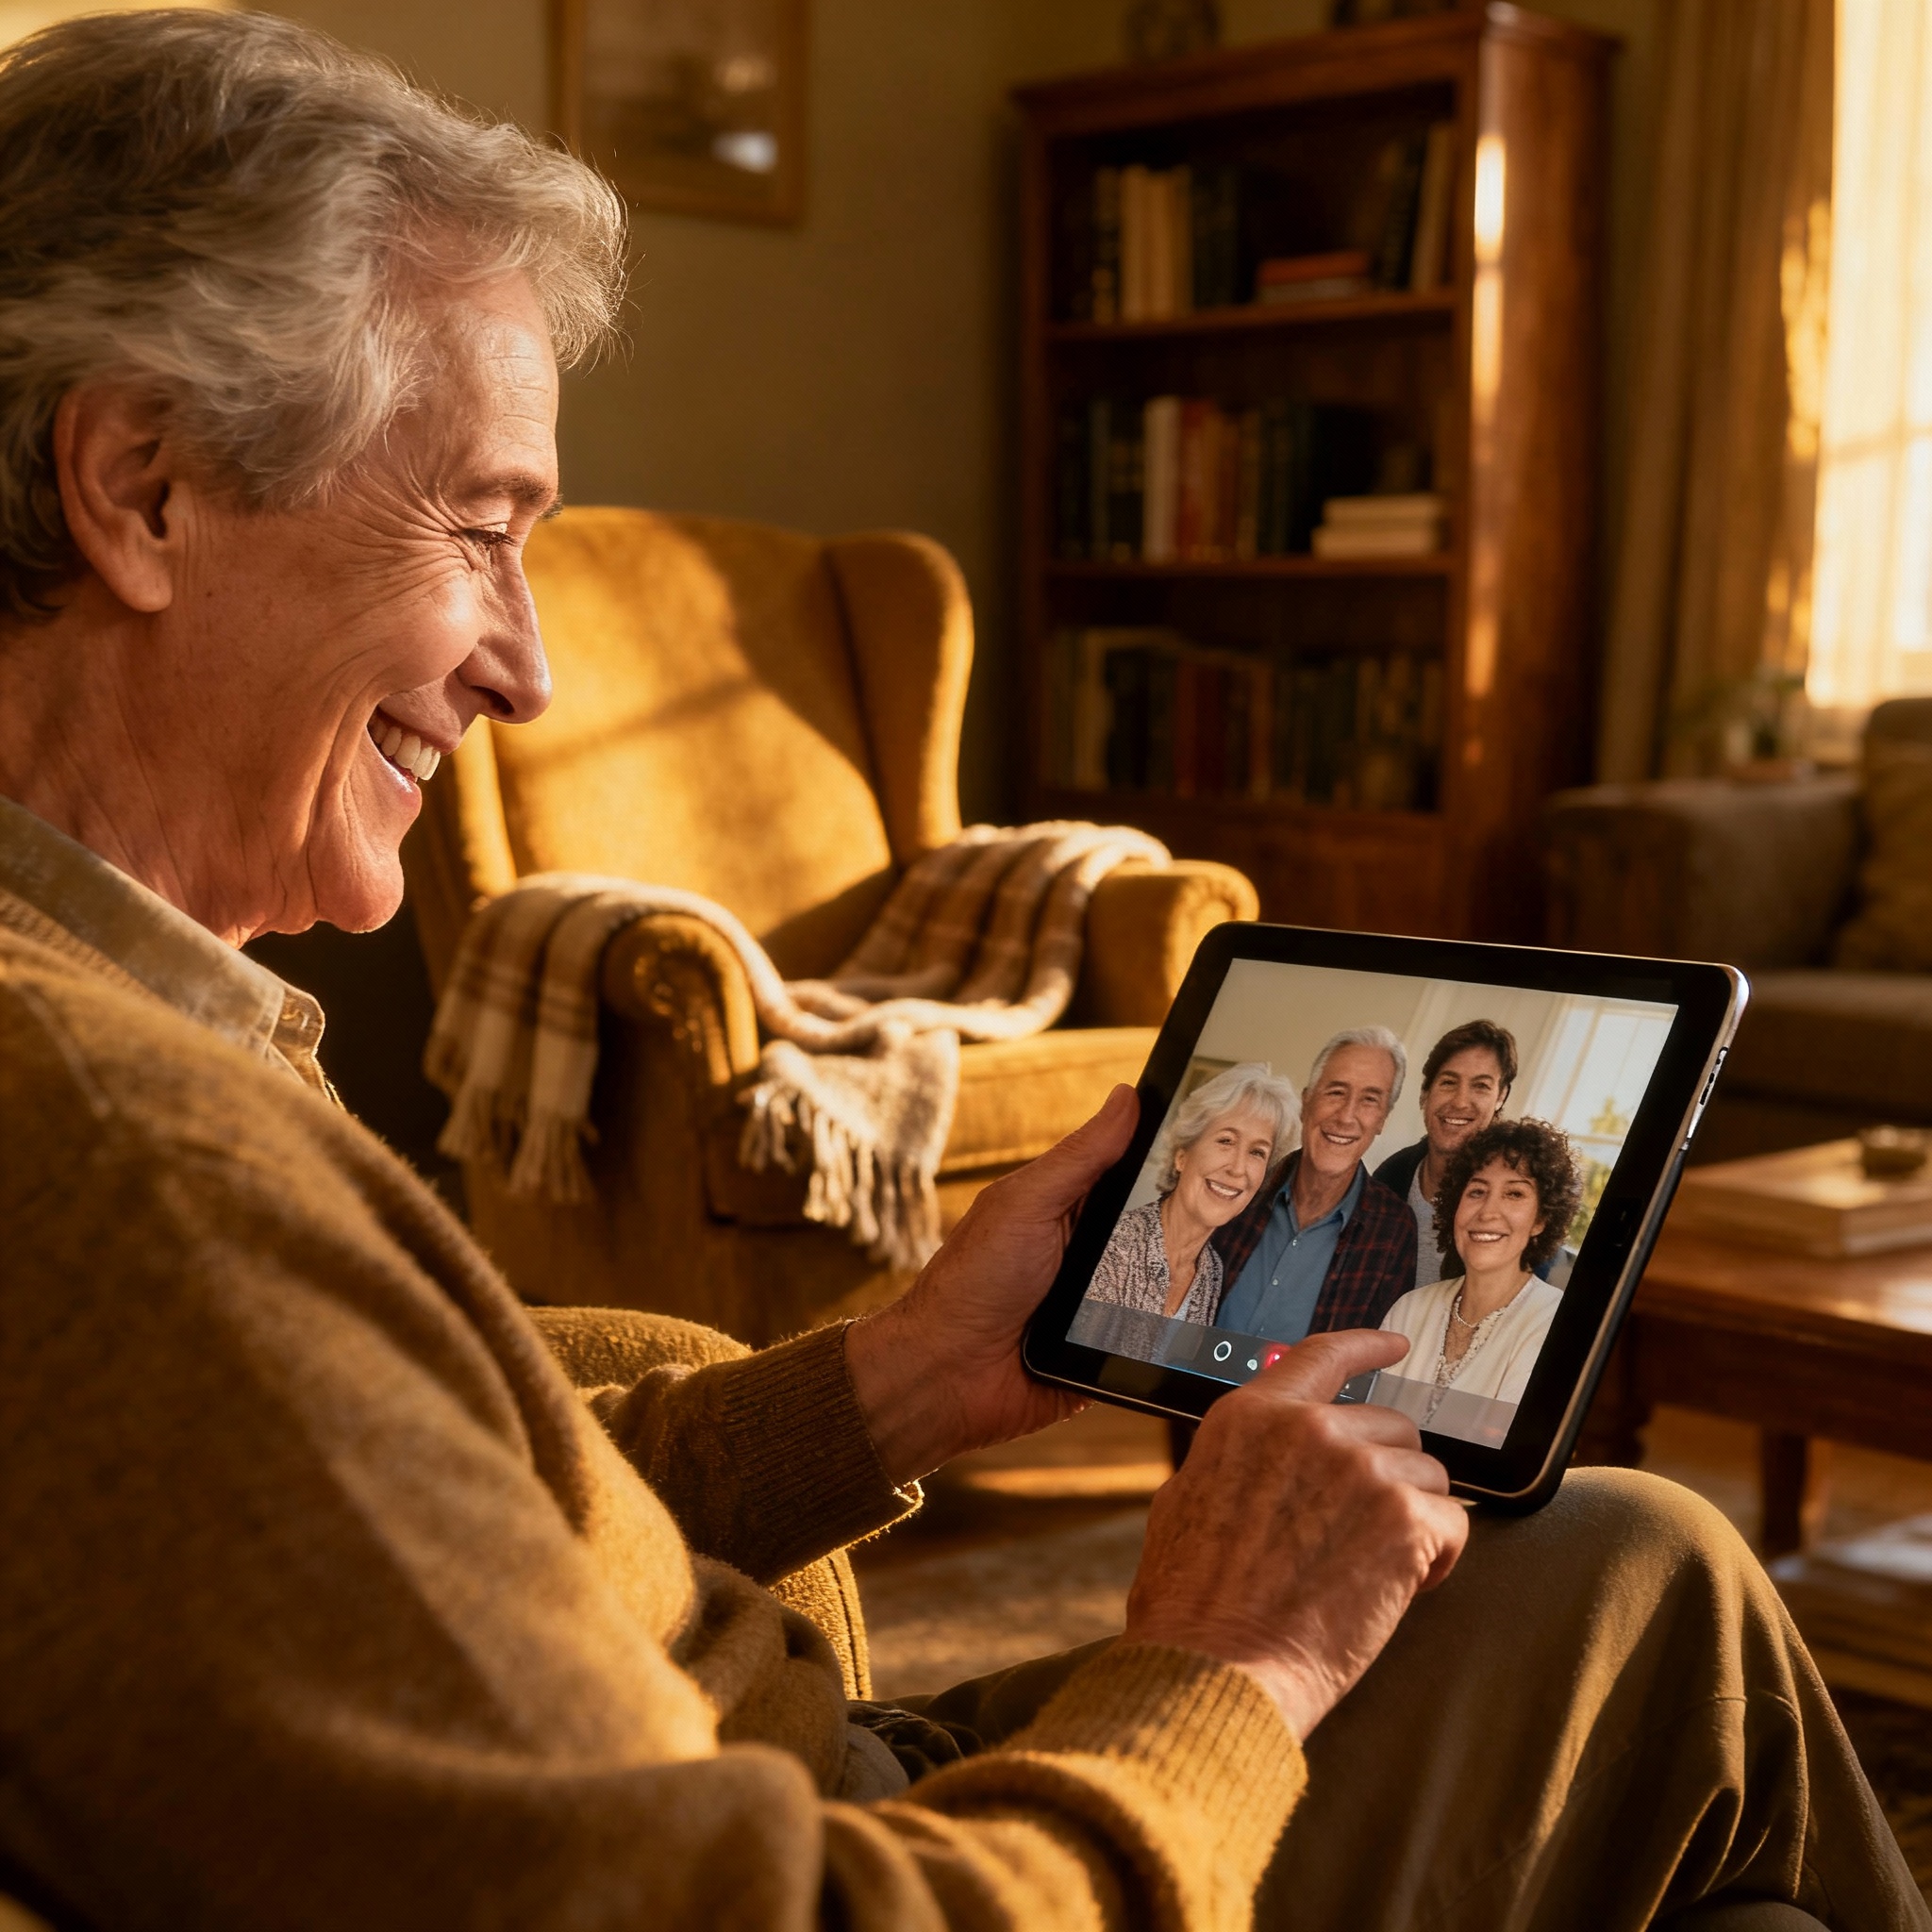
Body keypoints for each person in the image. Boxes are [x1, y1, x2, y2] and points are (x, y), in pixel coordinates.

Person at [0, 15, 1924, 1931]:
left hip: (768, 1753)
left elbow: (421, 1529)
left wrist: (906, 1381)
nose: (531, 667)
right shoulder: (121, 1151)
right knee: (1655, 1587)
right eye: (483, 528)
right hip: (859, 1848)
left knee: (1630, 1583)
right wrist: (1229, 1662)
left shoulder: (142, 1045)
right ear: (144, 483)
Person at [1211, 1026, 1418, 1344]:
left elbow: (1369, 1356)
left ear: (1382, 1120)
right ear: (1306, 1101)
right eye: (1336, 1092)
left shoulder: (1394, 1229)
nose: (1347, 1116)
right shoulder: (1242, 1181)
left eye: (1369, 1100)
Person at [1380, 1119, 1582, 1424]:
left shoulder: (1555, 1326)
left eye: (1514, 1194)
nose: (1488, 1212)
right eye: (1476, 1191)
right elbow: (1367, 1429)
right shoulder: (1408, 1310)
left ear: (1541, 1219)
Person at [1084, 1062, 1300, 1324]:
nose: (1238, 1169)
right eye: (1226, 1141)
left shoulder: (1211, 1271)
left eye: (1257, 1152)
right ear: (1182, 1156)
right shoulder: (1116, 1243)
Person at [1372, 1019, 1518, 1293]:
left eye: (1481, 1086)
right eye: (1449, 1082)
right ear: (1425, 1094)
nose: (1461, 1102)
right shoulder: (1391, 1176)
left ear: (1501, 1096)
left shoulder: (1515, 1196)